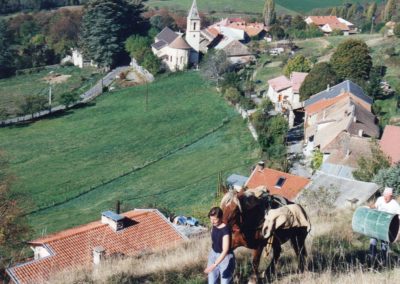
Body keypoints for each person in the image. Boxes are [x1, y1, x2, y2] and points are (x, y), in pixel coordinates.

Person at [369, 187, 400, 266]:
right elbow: (375, 207)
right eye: (384, 196)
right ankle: (372, 258)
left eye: (387, 196)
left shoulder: (394, 204)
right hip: (377, 225)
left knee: (384, 244)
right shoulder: (380, 199)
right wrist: (369, 207)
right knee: (373, 241)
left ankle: (383, 262)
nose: (385, 198)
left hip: (387, 228)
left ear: (391, 196)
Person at [204, 207, 235, 284]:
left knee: (225, 282)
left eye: (215, 219)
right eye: (211, 219)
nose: (212, 222)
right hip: (213, 255)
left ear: (221, 218)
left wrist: (214, 265)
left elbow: (225, 250)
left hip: (226, 258)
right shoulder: (214, 226)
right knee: (211, 282)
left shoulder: (226, 230)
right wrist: (212, 259)